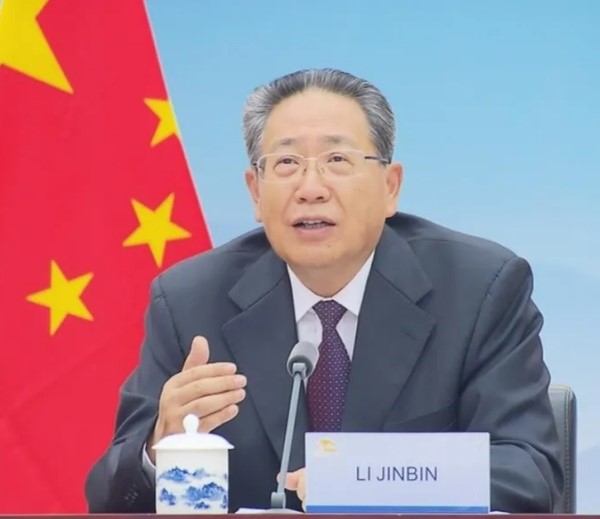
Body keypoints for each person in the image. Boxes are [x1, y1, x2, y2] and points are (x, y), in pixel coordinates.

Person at [85, 68, 563, 513]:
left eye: (337, 160)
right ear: (256, 192)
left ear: (390, 186)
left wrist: (362, 481)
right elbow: (110, 495)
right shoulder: (189, 301)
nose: (311, 187)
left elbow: (527, 473)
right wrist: (159, 446)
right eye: (287, 163)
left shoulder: (479, 289)